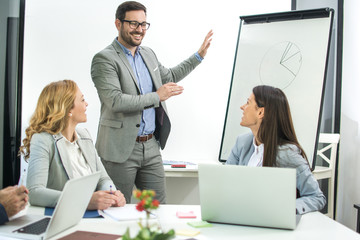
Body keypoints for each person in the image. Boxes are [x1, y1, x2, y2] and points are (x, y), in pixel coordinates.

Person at [91, 1, 213, 203]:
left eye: (143, 24)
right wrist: (157, 96)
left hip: (151, 146)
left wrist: (198, 56)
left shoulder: (148, 54)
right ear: (117, 24)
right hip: (119, 149)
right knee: (116, 208)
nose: (139, 30)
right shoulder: (104, 59)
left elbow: (170, 75)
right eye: (133, 24)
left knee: (158, 209)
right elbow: (115, 101)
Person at [19, 80, 126, 210]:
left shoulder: (85, 136)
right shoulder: (43, 140)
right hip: (62, 217)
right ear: (68, 109)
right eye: (82, 100)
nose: (86, 103)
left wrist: (111, 195)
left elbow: (103, 179)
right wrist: (83, 201)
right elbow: (35, 192)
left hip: (94, 215)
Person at [226, 85, 326, 215]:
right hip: (241, 216)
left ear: (260, 112)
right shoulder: (242, 142)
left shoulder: (287, 153)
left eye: (248, 103)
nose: (242, 107)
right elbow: (226, 182)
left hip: (271, 225)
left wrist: (286, 209)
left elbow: (316, 197)